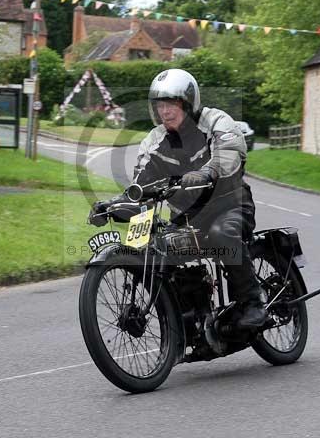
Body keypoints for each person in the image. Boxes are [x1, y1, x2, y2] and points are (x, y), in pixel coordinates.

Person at [90, 68, 266, 329]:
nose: (165, 111)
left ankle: (252, 304)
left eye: (172, 103)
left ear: (187, 102)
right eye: (160, 105)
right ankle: (188, 318)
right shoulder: (155, 141)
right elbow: (142, 186)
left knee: (222, 235)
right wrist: (113, 207)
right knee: (157, 248)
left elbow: (230, 153)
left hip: (230, 206)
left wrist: (207, 171)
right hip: (187, 218)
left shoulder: (215, 121)